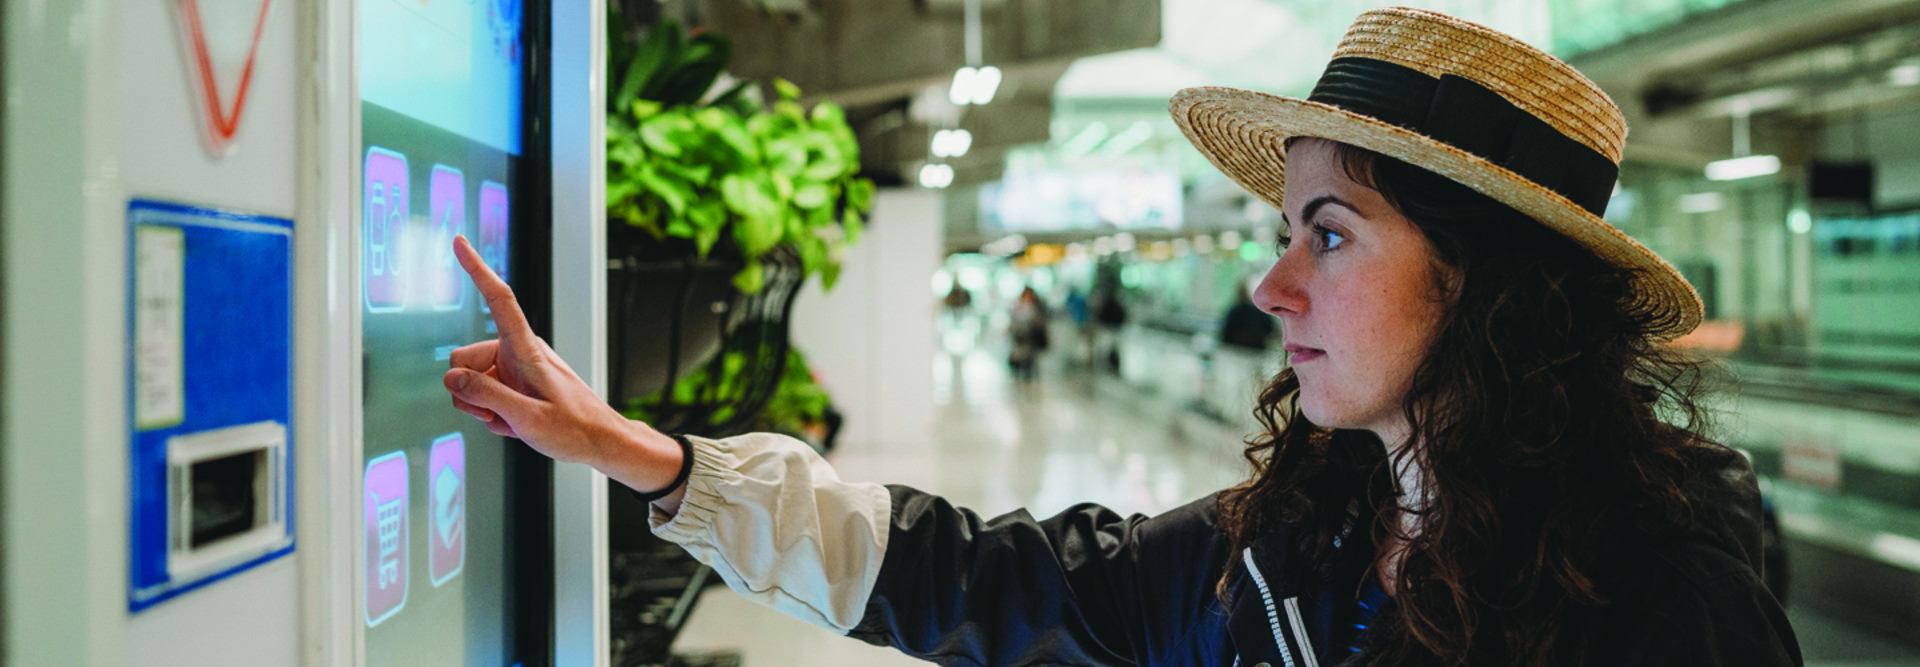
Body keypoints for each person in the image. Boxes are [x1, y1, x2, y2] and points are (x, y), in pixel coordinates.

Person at [440, 8, 1800, 666]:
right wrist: (641, 453)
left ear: (1489, 283)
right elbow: (994, 581)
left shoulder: (1662, 600)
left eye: (1327, 231)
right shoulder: (1308, 532)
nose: (1270, 287)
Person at [1007, 287, 1050, 382]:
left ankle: (1029, 371)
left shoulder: (1036, 306)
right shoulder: (1018, 305)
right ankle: (1018, 370)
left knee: (1031, 353)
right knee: (1019, 352)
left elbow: (1041, 320)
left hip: (1031, 333)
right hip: (1019, 333)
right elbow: (1013, 319)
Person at [1218, 281, 1276, 351]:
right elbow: (1270, 330)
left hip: (1234, 349)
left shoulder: (1235, 310)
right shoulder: (1262, 313)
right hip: (1257, 351)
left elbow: (1225, 331)